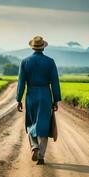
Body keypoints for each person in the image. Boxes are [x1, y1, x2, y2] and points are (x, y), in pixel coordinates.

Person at [16, 36, 61, 165]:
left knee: (31, 123)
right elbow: (55, 82)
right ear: (43, 47)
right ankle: (41, 156)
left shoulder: (25, 62)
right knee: (44, 125)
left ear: (32, 47)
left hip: (31, 95)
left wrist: (18, 99)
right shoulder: (50, 62)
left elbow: (21, 83)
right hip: (45, 95)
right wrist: (56, 100)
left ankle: (34, 146)